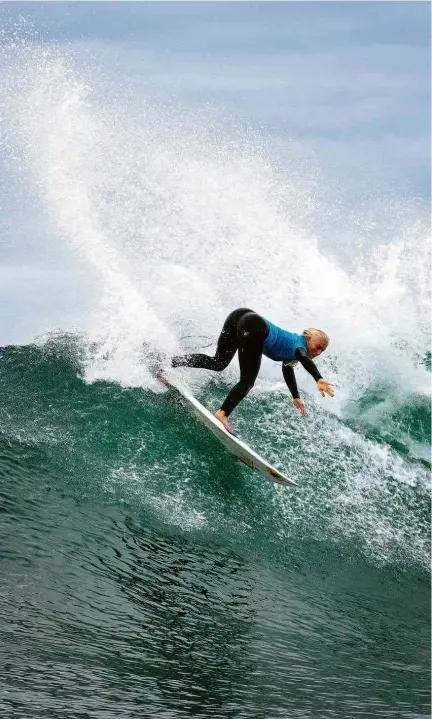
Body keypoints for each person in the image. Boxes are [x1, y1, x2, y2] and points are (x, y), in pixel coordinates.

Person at [171, 307, 334, 432]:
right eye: (318, 346)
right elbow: (303, 357)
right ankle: (222, 413)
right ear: (308, 338)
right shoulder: (299, 345)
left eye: (322, 351)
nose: (319, 352)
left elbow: (288, 368)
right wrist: (318, 378)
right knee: (248, 381)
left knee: (218, 362)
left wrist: (295, 396)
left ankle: (171, 362)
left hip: (239, 316)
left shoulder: (293, 352)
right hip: (254, 326)